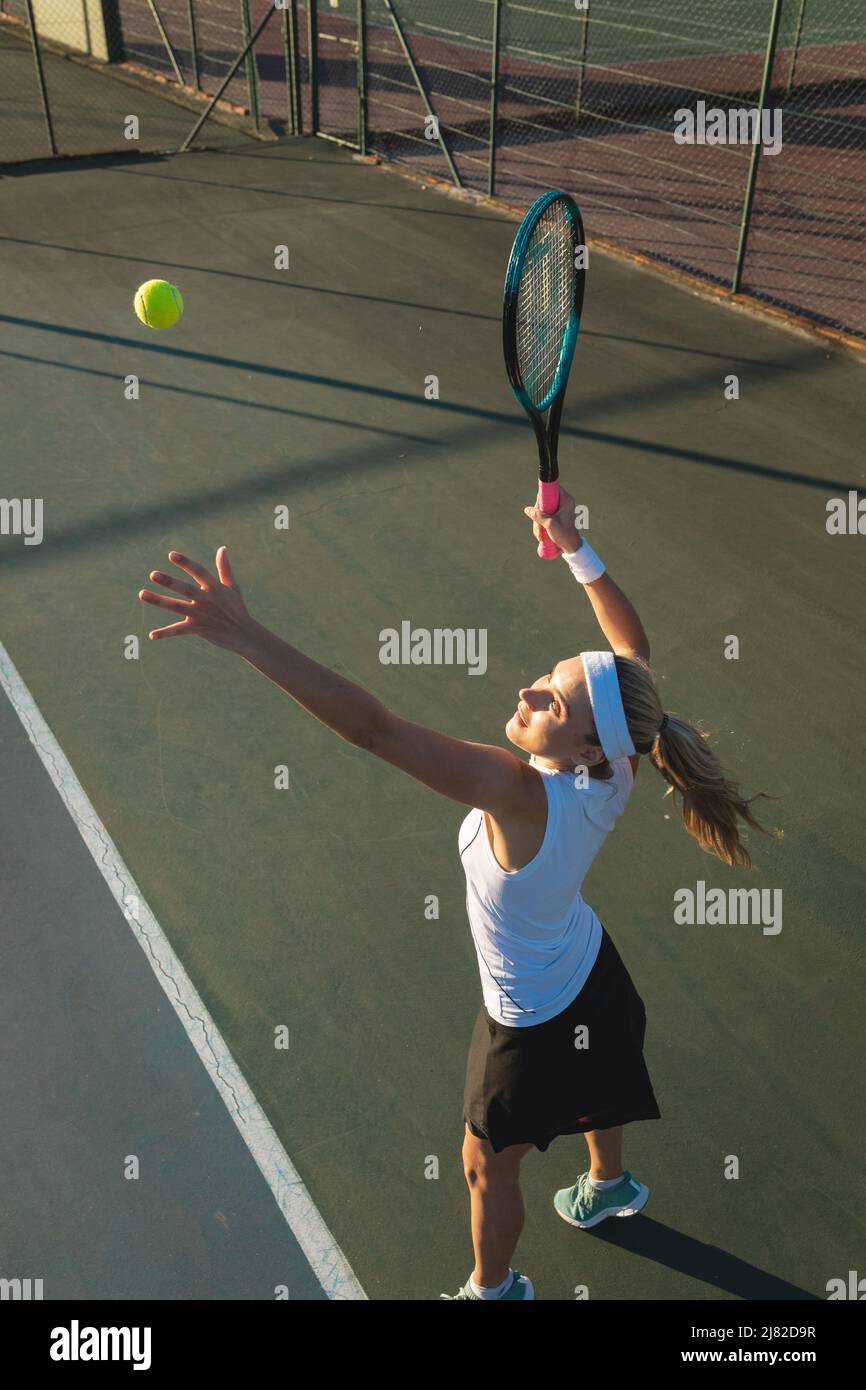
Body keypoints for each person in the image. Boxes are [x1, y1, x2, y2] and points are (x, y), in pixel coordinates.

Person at [138, 486, 770, 1302]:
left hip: (529, 1021)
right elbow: (632, 652)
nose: (532, 688)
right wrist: (575, 546)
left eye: (553, 700)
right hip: (589, 973)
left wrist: (247, 636)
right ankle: (609, 1187)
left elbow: (376, 730)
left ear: (584, 746)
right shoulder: (615, 769)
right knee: (600, 1074)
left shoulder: (515, 791)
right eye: (549, 673)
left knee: (482, 1166)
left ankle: (493, 1288)